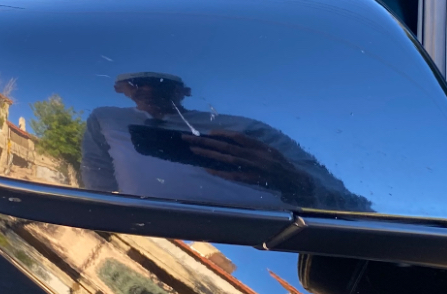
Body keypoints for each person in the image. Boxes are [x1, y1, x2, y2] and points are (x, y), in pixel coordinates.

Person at [81, 72, 371, 212]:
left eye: (159, 82)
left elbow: (352, 207)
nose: (146, 88)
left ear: (184, 91)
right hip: (144, 231)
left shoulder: (245, 128)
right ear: (120, 89)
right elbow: (96, 180)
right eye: (136, 82)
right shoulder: (105, 119)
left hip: (254, 240)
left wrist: (294, 181)